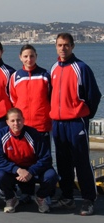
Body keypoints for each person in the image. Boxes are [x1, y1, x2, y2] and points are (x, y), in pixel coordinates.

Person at [49, 33, 101, 216]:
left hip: (76, 122)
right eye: (60, 45)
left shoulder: (81, 68)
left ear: (72, 46)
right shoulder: (54, 68)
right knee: (63, 161)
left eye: (66, 45)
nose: (63, 48)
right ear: (56, 46)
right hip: (58, 122)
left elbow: (94, 95)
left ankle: (88, 199)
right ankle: (67, 196)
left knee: (81, 160)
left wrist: (85, 116)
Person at [0, 108, 58, 214]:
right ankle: (11, 198)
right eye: (12, 121)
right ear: (7, 122)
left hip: (32, 170)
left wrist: (31, 171)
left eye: (19, 120)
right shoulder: (1, 135)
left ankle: (41, 197)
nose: (16, 123)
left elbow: (46, 158)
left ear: (23, 120)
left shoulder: (34, 134)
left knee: (51, 176)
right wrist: (17, 169)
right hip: (14, 171)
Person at [8, 45, 51, 142]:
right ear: (20, 57)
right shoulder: (15, 77)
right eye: (25, 56)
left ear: (36, 56)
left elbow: (51, 98)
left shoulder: (45, 75)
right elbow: (13, 100)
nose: (29, 59)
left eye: (32, 56)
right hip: (23, 125)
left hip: (42, 125)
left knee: (44, 156)